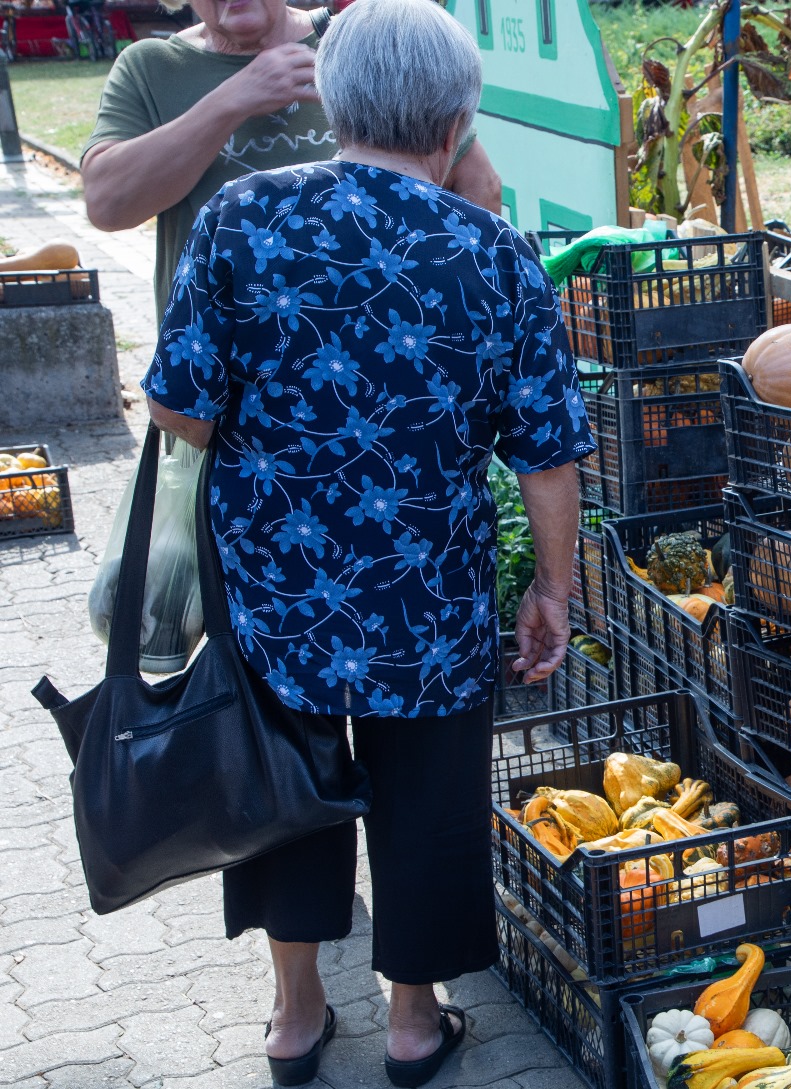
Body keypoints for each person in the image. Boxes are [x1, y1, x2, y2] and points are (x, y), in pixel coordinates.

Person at [139, 0, 591, 1084]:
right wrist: (554, 593)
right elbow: (547, 453)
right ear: (455, 119)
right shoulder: (492, 248)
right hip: (425, 593)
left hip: (275, 584)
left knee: (283, 779)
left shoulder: (242, 219)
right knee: (429, 792)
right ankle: (410, 1019)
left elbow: (183, 413)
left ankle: (295, 1017)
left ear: (333, 98)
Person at [81, 0, 502, 316]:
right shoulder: (152, 67)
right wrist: (231, 100)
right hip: (224, 367)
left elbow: (478, 185)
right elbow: (108, 206)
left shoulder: (352, 41)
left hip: (384, 348)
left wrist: (441, 306)